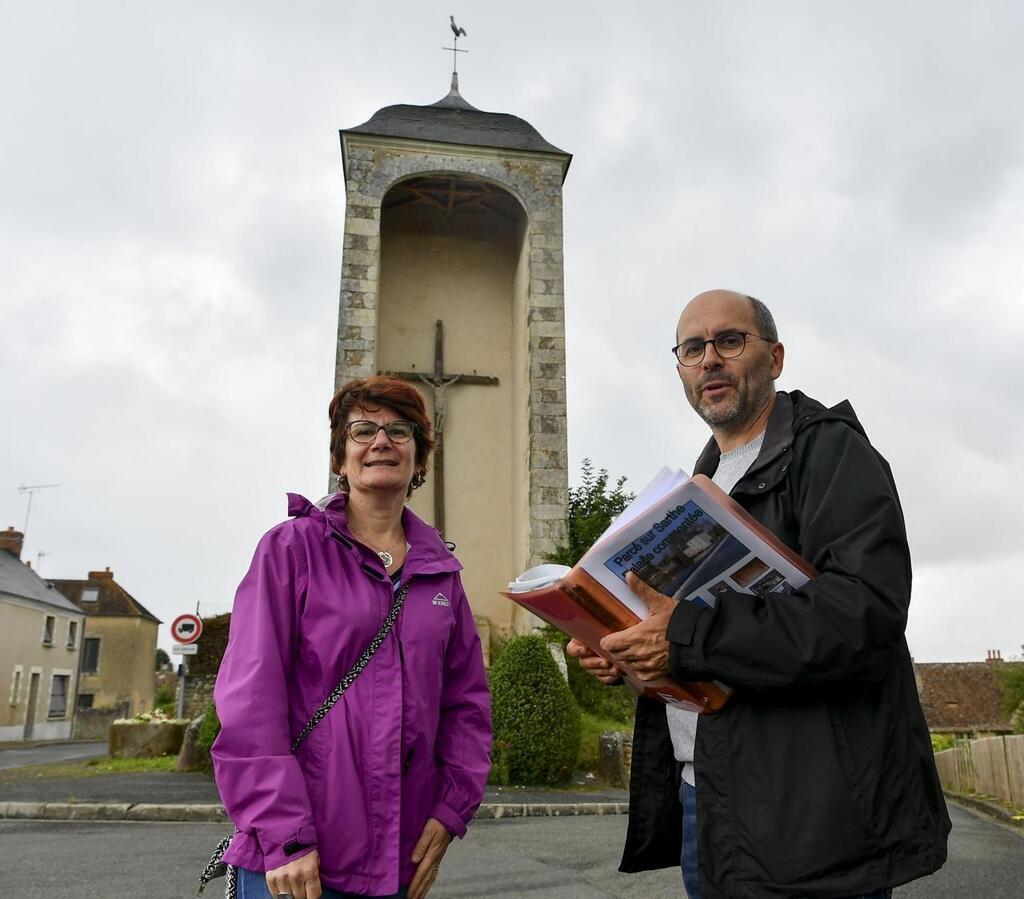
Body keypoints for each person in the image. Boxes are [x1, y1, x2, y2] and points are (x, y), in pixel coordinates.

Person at [568, 290, 950, 898]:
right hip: (709, 799)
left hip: (810, 817)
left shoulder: (829, 452)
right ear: (680, 372)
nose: (709, 360)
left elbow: (865, 617)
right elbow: (683, 644)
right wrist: (621, 649)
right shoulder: (696, 487)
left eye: (729, 341)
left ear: (774, 358)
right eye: (693, 348)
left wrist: (686, 636)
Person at [212, 375, 492, 899]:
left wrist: (452, 808)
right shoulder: (290, 550)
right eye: (363, 431)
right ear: (341, 459)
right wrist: (285, 834)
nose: (381, 441)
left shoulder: (441, 573)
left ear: (420, 459)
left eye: (400, 431)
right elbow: (251, 700)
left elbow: (467, 704)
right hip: (300, 860)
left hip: (399, 858)